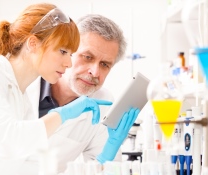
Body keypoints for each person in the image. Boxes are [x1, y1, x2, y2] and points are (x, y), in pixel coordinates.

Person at [0, 3, 112, 175]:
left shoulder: (23, 99)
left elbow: (29, 166)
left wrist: (105, 157)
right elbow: (5, 141)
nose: (69, 63)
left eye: (71, 54)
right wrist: (61, 115)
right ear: (33, 44)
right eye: (63, 51)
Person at [25, 14, 140, 173]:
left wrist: (109, 153)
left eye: (105, 64)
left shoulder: (103, 103)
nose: (95, 72)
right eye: (87, 57)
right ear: (67, 50)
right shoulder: (24, 85)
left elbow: (101, 169)